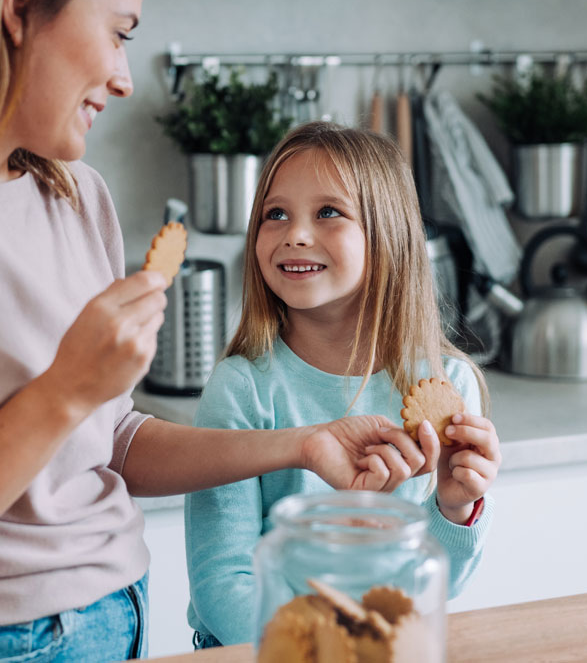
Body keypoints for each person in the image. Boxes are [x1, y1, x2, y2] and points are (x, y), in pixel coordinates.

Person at [0, 0, 439, 662]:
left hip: (122, 616)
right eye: (118, 33)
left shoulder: (74, 196)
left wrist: (304, 445)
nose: (123, 78)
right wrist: (64, 391)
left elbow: (108, 441)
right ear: (19, 7)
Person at [185, 121, 502, 649]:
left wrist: (453, 508)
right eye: (275, 213)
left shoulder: (447, 384)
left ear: (389, 234)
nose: (295, 234)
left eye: (328, 212)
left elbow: (435, 587)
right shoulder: (242, 388)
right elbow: (223, 583)